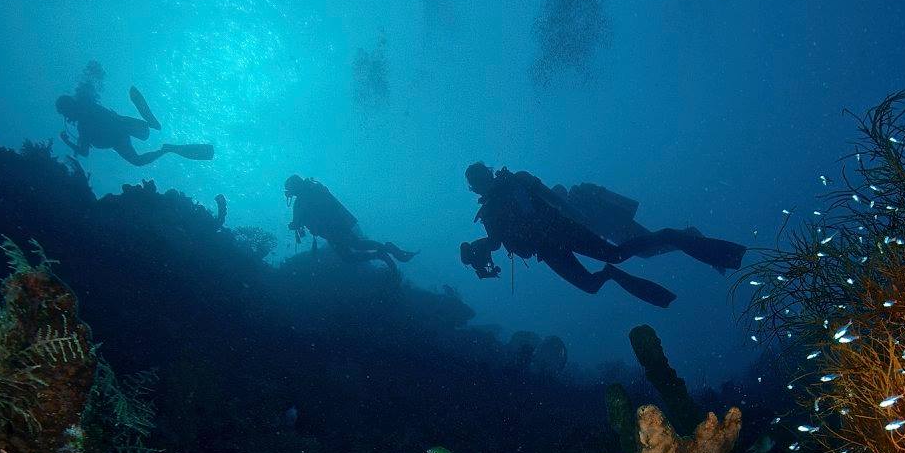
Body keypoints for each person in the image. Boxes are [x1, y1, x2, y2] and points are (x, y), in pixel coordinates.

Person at [460, 163, 744, 307]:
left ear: (485, 178)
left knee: (616, 254)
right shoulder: (489, 212)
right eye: (477, 182)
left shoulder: (517, 181)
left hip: (561, 229)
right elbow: (496, 243)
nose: (481, 185)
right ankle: (614, 272)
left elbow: (552, 199)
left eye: (480, 180)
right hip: (547, 250)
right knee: (591, 283)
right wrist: (477, 250)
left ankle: (673, 236)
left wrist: (578, 218)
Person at [56, 84, 213, 167]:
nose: (67, 117)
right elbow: (84, 152)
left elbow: (83, 151)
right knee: (138, 159)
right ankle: (166, 147)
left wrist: (66, 141)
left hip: (118, 129)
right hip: (117, 138)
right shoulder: (83, 122)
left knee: (140, 138)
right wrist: (68, 141)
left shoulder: (85, 113)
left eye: (65, 112)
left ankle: (152, 126)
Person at [285, 175, 417, 271]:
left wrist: (293, 226)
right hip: (337, 226)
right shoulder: (313, 190)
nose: (288, 192)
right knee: (353, 251)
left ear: (294, 187)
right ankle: (384, 251)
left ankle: (386, 250)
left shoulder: (301, 201)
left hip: (332, 230)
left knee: (354, 250)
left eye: (289, 189)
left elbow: (296, 223)